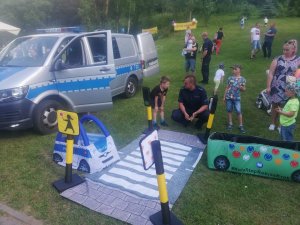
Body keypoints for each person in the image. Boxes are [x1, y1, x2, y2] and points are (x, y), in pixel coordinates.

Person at [266, 39, 300, 131]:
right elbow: (271, 73)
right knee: (275, 104)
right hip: (277, 84)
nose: (284, 51)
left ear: (293, 50)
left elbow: (299, 73)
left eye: (287, 50)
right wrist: (268, 86)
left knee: (285, 105)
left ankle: (281, 125)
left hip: (290, 85)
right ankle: (273, 123)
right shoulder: (277, 58)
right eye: (283, 49)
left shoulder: (298, 59)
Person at [223, 64, 246, 133]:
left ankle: (241, 125)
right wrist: (224, 96)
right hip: (228, 97)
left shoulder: (242, 79)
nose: (233, 70)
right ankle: (230, 123)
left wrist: (241, 88)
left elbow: (244, 89)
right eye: (233, 69)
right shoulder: (230, 78)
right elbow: (227, 87)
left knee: (238, 111)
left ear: (239, 70)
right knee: (229, 110)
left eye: (235, 69)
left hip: (237, 98)